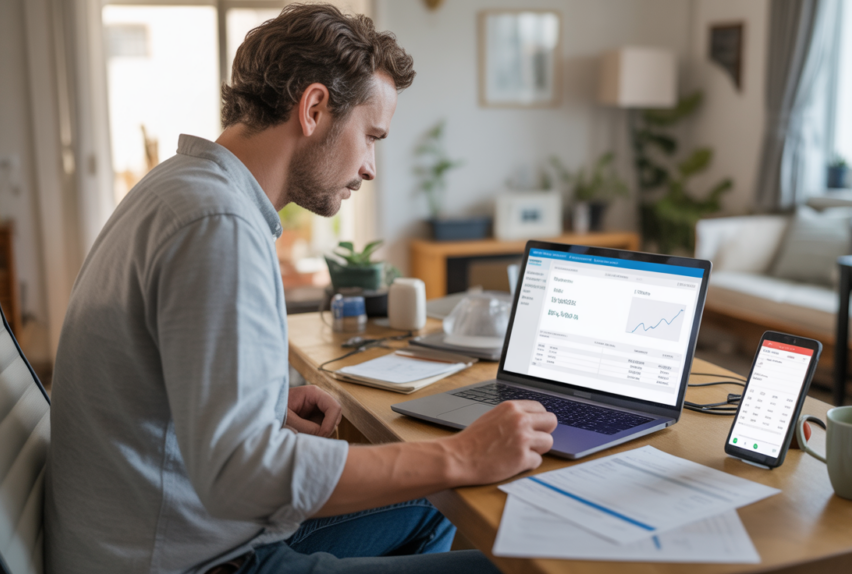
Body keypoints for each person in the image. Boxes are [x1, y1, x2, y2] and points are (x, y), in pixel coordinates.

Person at [44, 4, 557, 574]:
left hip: (151, 527)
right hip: (190, 558)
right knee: (511, 561)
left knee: (432, 498)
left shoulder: (181, 186)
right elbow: (243, 477)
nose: (370, 168)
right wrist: (461, 452)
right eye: (371, 136)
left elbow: (159, 380)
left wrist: (260, 404)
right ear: (314, 108)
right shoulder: (218, 224)